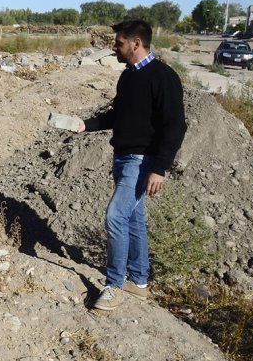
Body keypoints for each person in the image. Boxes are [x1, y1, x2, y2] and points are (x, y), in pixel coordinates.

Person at [77, 19, 187, 310]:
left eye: (119, 42)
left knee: (115, 216)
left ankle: (114, 285)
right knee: (134, 220)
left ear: (136, 43)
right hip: (122, 157)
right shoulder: (127, 77)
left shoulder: (163, 77)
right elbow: (117, 115)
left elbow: (175, 126)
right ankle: (138, 282)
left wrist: (160, 167)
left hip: (142, 161)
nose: (114, 46)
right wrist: (84, 125)